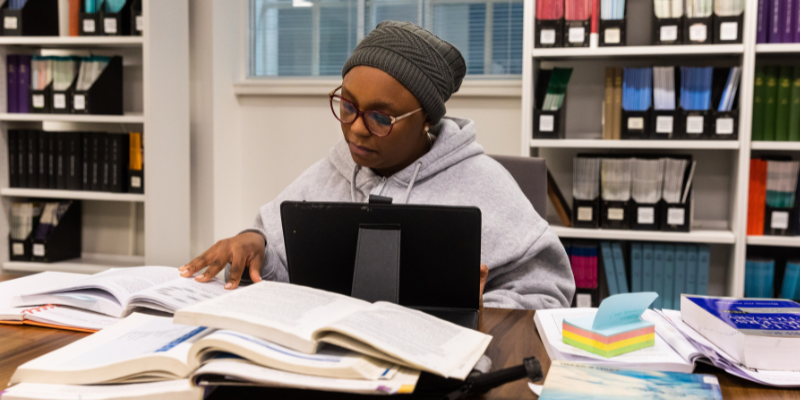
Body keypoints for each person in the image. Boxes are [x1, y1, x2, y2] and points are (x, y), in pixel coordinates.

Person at [180, 21, 575, 310]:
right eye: (348, 106)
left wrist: (481, 310)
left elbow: (547, 291)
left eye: (381, 118)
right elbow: (283, 265)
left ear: (424, 121)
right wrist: (256, 244)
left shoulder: (483, 183)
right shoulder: (331, 172)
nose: (355, 128)